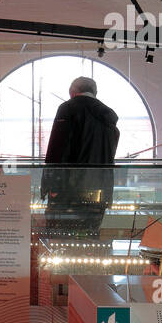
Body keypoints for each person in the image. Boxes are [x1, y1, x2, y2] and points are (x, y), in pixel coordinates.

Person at [41, 75, 119, 236]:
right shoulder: (108, 118)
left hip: (68, 192)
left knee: (60, 240)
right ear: (94, 93)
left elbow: (57, 149)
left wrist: (51, 186)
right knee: (88, 239)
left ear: (72, 92)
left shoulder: (68, 109)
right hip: (99, 192)